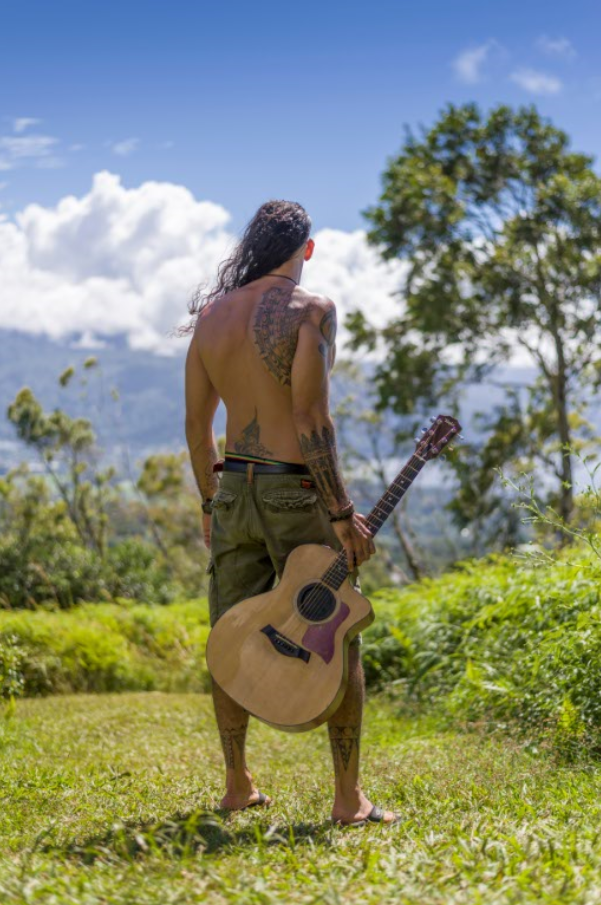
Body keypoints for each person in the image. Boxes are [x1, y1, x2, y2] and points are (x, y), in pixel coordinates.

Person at [184, 200, 397, 827]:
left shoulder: (210, 318)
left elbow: (198, 429)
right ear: (306, 249)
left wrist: (209, 505)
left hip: (234, 491)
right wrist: (341, 511)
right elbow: (311, 419)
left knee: (230, 633)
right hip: (295, 491)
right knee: (339, 629)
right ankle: (346, 798)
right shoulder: (312, 311)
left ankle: (236, 783)